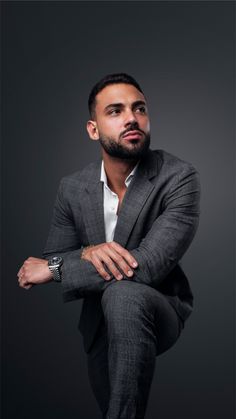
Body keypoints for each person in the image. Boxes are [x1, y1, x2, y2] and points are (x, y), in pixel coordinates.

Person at [17, 73, 200, 419]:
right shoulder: (72, 188)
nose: (132, 118)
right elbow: (57, 250)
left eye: (139, 109)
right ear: (93, 129)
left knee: (123, 294)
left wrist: (57, 269)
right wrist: (85, 252)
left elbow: (146, 265)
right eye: (115, 111)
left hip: (160, 306)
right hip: (98, 320)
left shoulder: (178, 178)